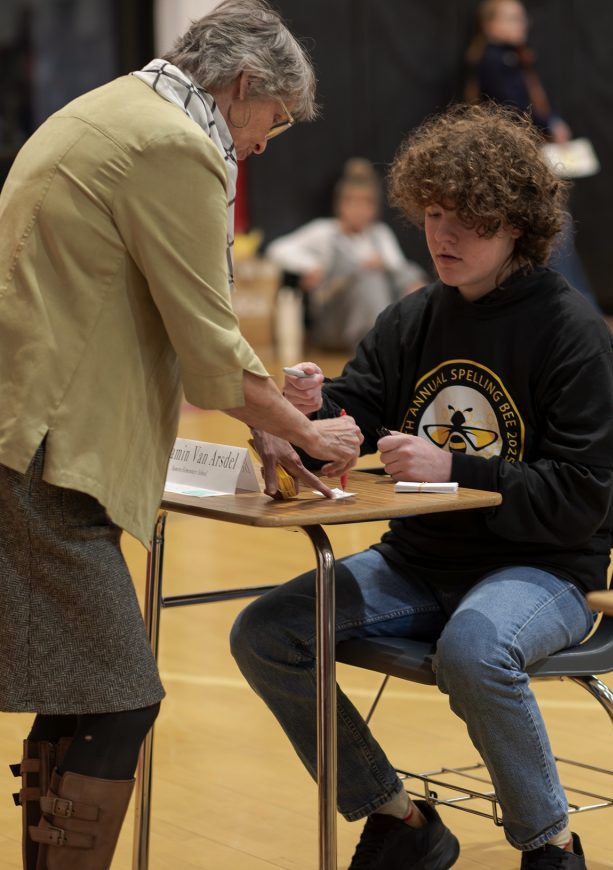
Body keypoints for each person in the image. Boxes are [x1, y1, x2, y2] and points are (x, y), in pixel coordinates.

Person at [0, 2, 363, 867]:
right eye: (269, 123)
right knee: (122, 697)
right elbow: (214, 350)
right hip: (45, 450)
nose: (264, 145)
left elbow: (169, 317)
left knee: (81, 690)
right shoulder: (174, 143)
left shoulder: (110, 106)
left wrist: (264, 426)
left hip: (28, 434)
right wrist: (310, 438)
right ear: (241, 88)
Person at [232, 103, 613, 870]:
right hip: (421, 563)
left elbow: (582, 496)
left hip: (545, 570)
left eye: (467, 221)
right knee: (266, 633)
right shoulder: (415, 316)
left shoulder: (573, 334)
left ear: (517, 224)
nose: (443, 236)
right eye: (434, 214)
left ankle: (552, 843)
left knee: (475, 647)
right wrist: (313, 407)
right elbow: (362, 405)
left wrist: (459, 469)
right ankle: (399, 819)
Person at [464, 0, 598, 308]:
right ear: (489, 24)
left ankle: (577, 305)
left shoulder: (515, 58)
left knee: (556, 231)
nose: (520, 25)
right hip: (517, 161)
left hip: (532, 155)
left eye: (521, 19)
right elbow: (515, 107)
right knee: (554, 231)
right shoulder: (494, 60)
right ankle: (575, 306)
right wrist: (550, 124)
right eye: (511, 19)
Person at [266, 157, 427, 351]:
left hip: (378, 310)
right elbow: (277, 249)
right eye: (354, 203)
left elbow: (400, 270)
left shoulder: (379, 234)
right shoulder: (325, 232)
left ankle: (411, 341)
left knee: (409, 277)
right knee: (368, 280)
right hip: (334, 322)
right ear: (341, 205)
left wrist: (406, 281)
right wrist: (310, 266)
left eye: (366, 204)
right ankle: (379, 348)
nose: (360, 210)